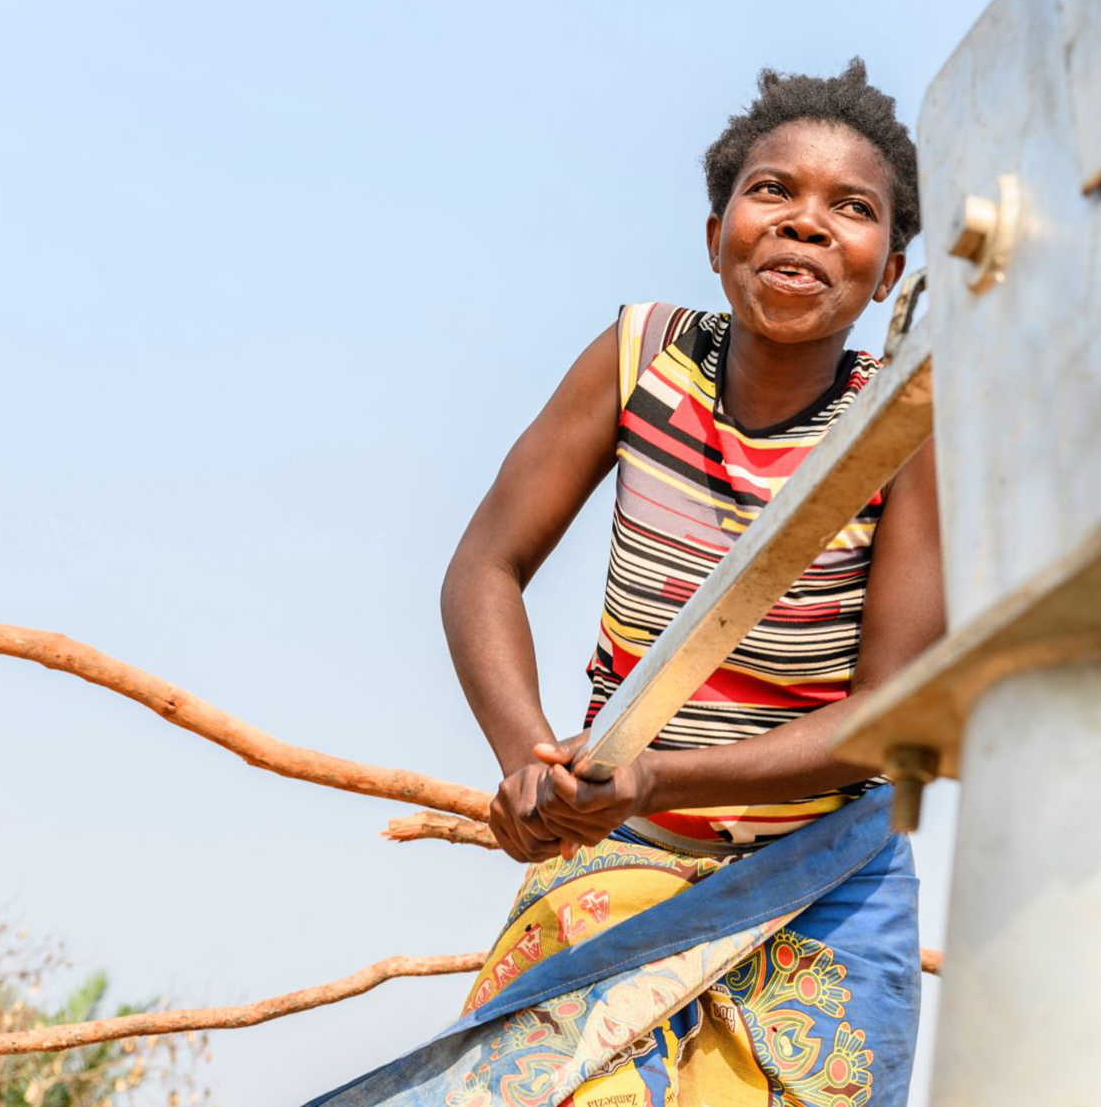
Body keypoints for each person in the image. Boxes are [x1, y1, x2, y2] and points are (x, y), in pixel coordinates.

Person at [310, 60, 943, 1107]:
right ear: (715, 235)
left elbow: (887, 720)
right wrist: (529, 761)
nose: (805, 223)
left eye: (852, 208)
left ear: (888, 274)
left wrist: (659, 776)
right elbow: (485, 565)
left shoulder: (902, 427)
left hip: (820, 877)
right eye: (771, 190)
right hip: (620, 851)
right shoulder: (639, 359)